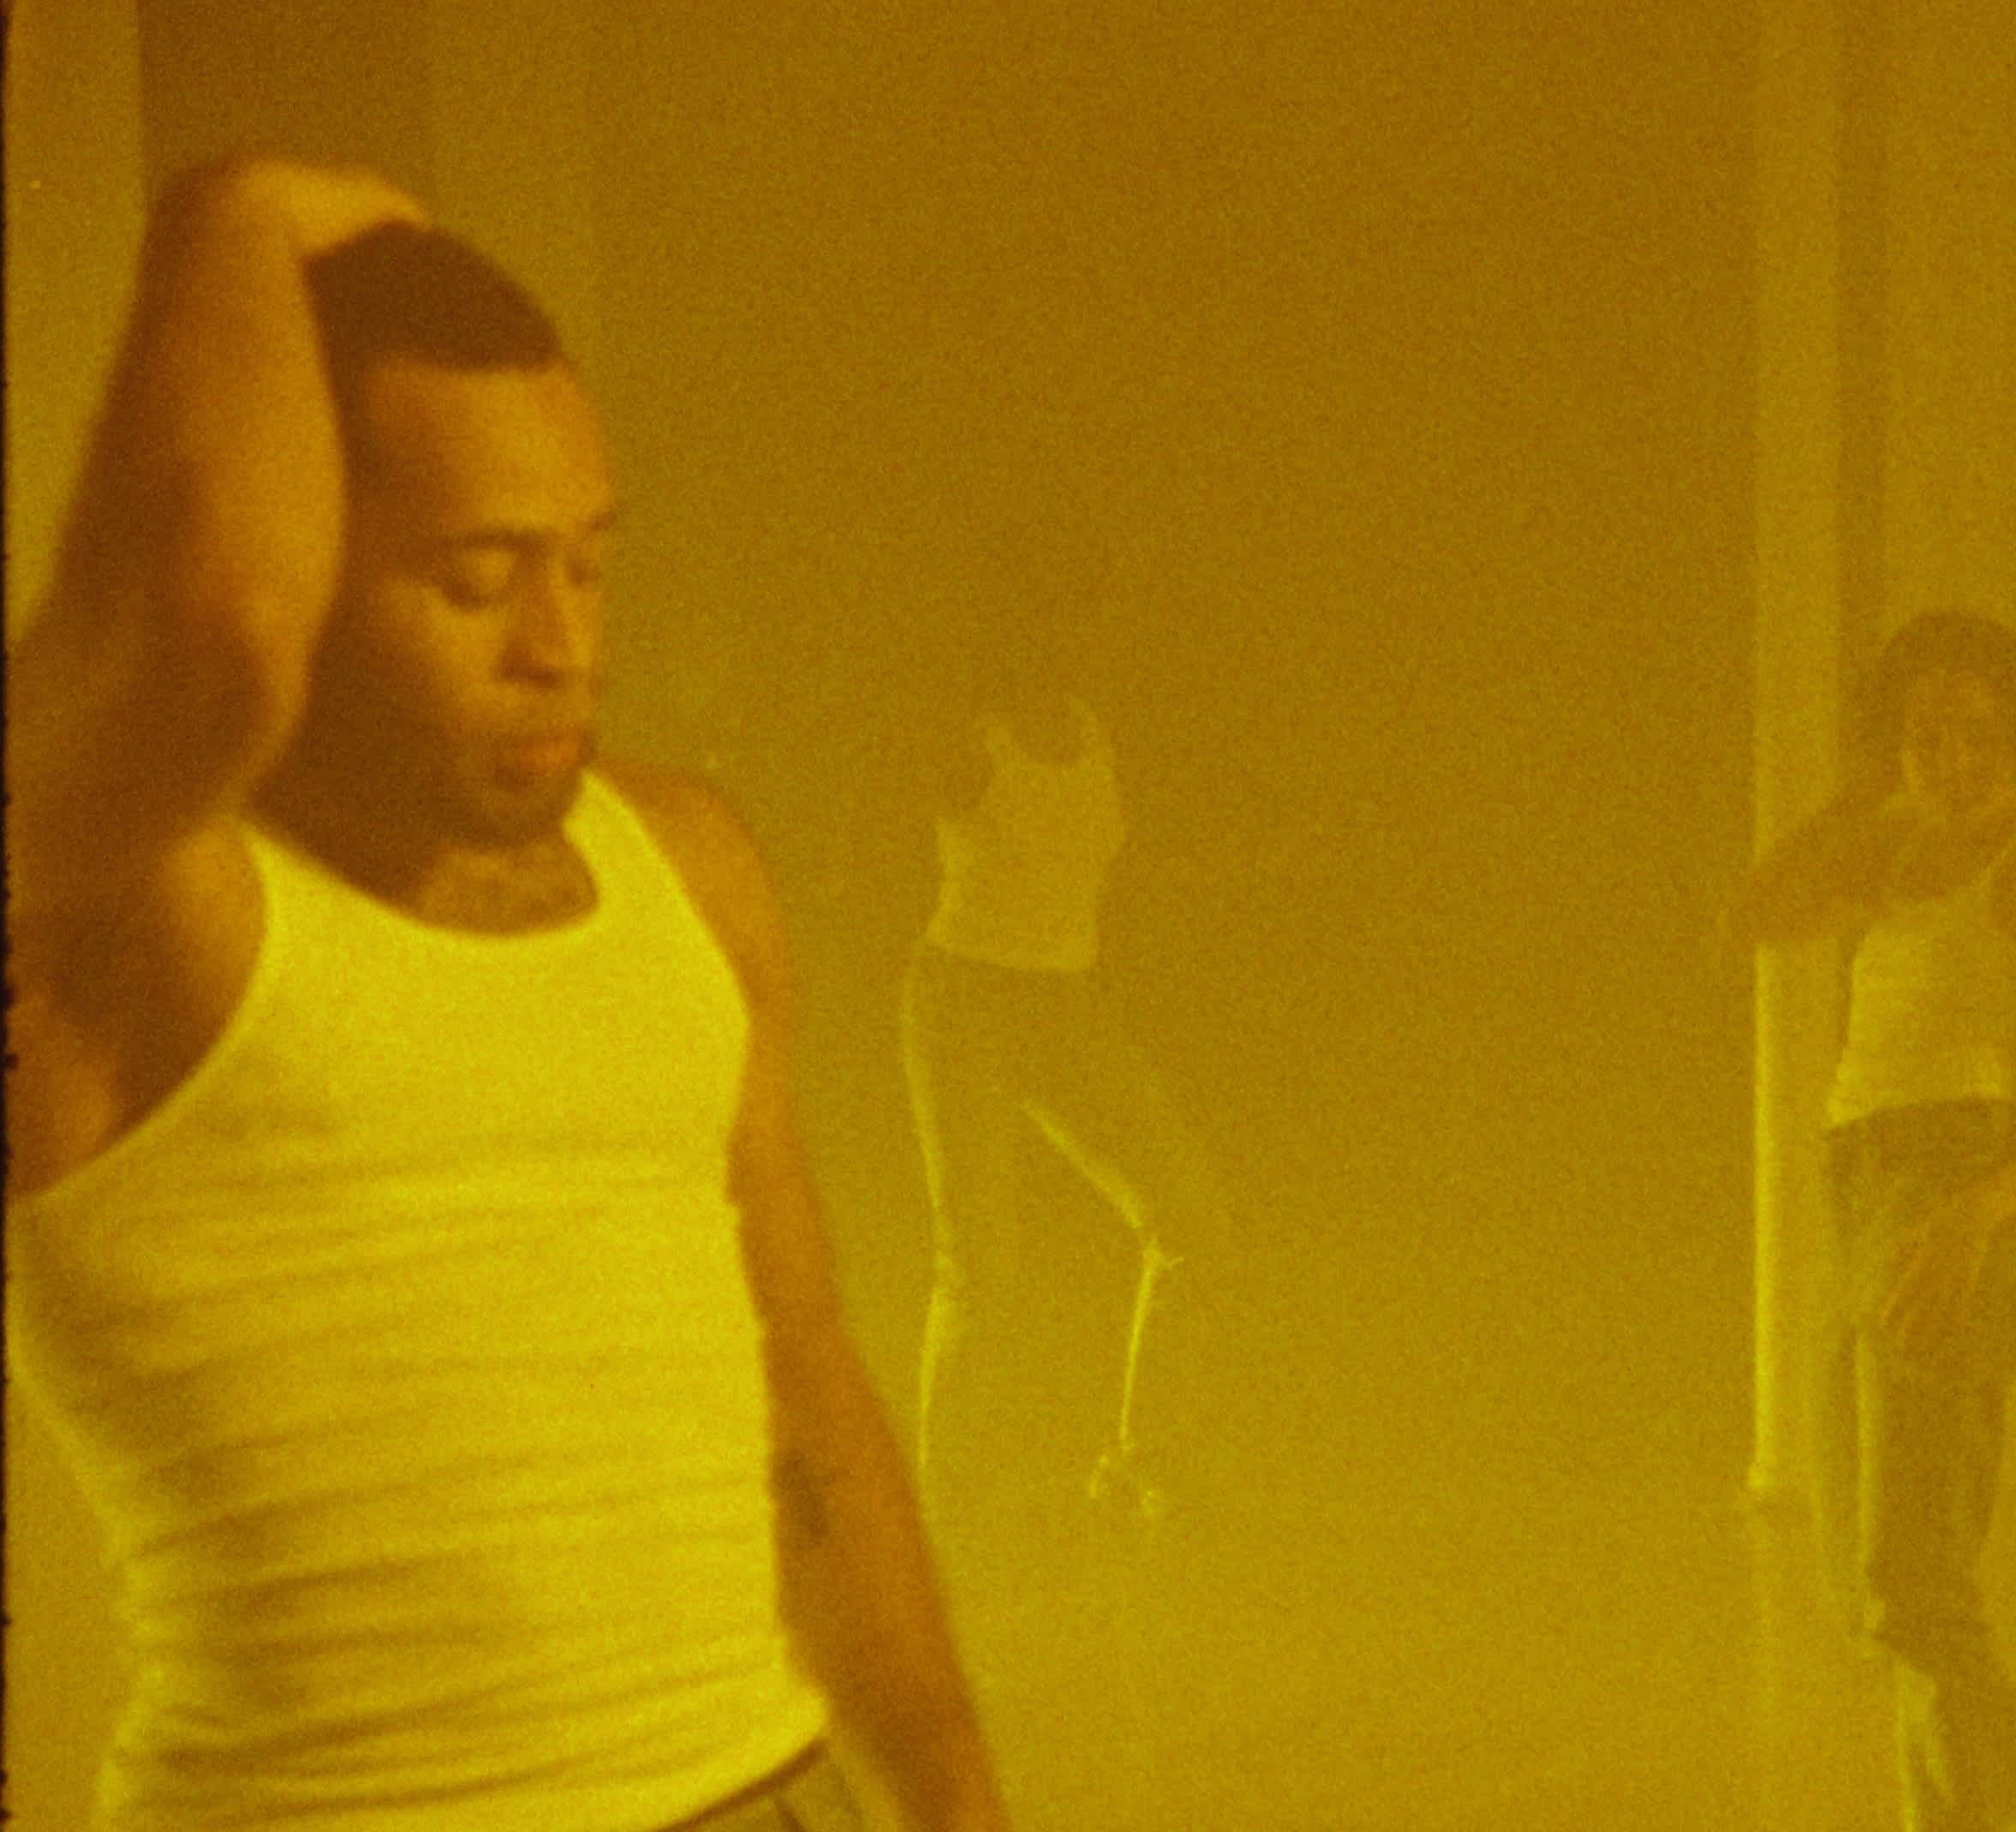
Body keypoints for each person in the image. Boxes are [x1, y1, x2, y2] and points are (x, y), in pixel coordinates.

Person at [3, 157, 1007, 1832]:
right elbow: (216, 628)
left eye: (586, 565)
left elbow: (806, 1391)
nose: (559, 645)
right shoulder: (123, 917)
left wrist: (953, 1794)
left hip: (765, 1795)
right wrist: (239, 213)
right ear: (316, 550)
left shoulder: (689, 866)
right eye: (474, 580)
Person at [1726, 610, 2016, 1832]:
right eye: (1925, 737)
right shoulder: (1895, 852)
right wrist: (1869, 789)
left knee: (1914, 1584)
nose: (1954, 760)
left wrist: (1976, 1219)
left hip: (1953, 1179)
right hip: (1854, 1184)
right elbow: (1756, 915)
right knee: (1870, 1592)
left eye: (1978, 736)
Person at [898, 598, 1230, 1799]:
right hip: (964, 1002)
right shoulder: (971, 738)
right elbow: (889, 810)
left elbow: (1115, 866)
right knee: (980, 1267)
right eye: (1075, 625)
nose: (1094, 643)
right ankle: (945, 1521)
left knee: (1190, 1219)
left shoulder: (1093, 730)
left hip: (1064, 1003)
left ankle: (1139, 1460)